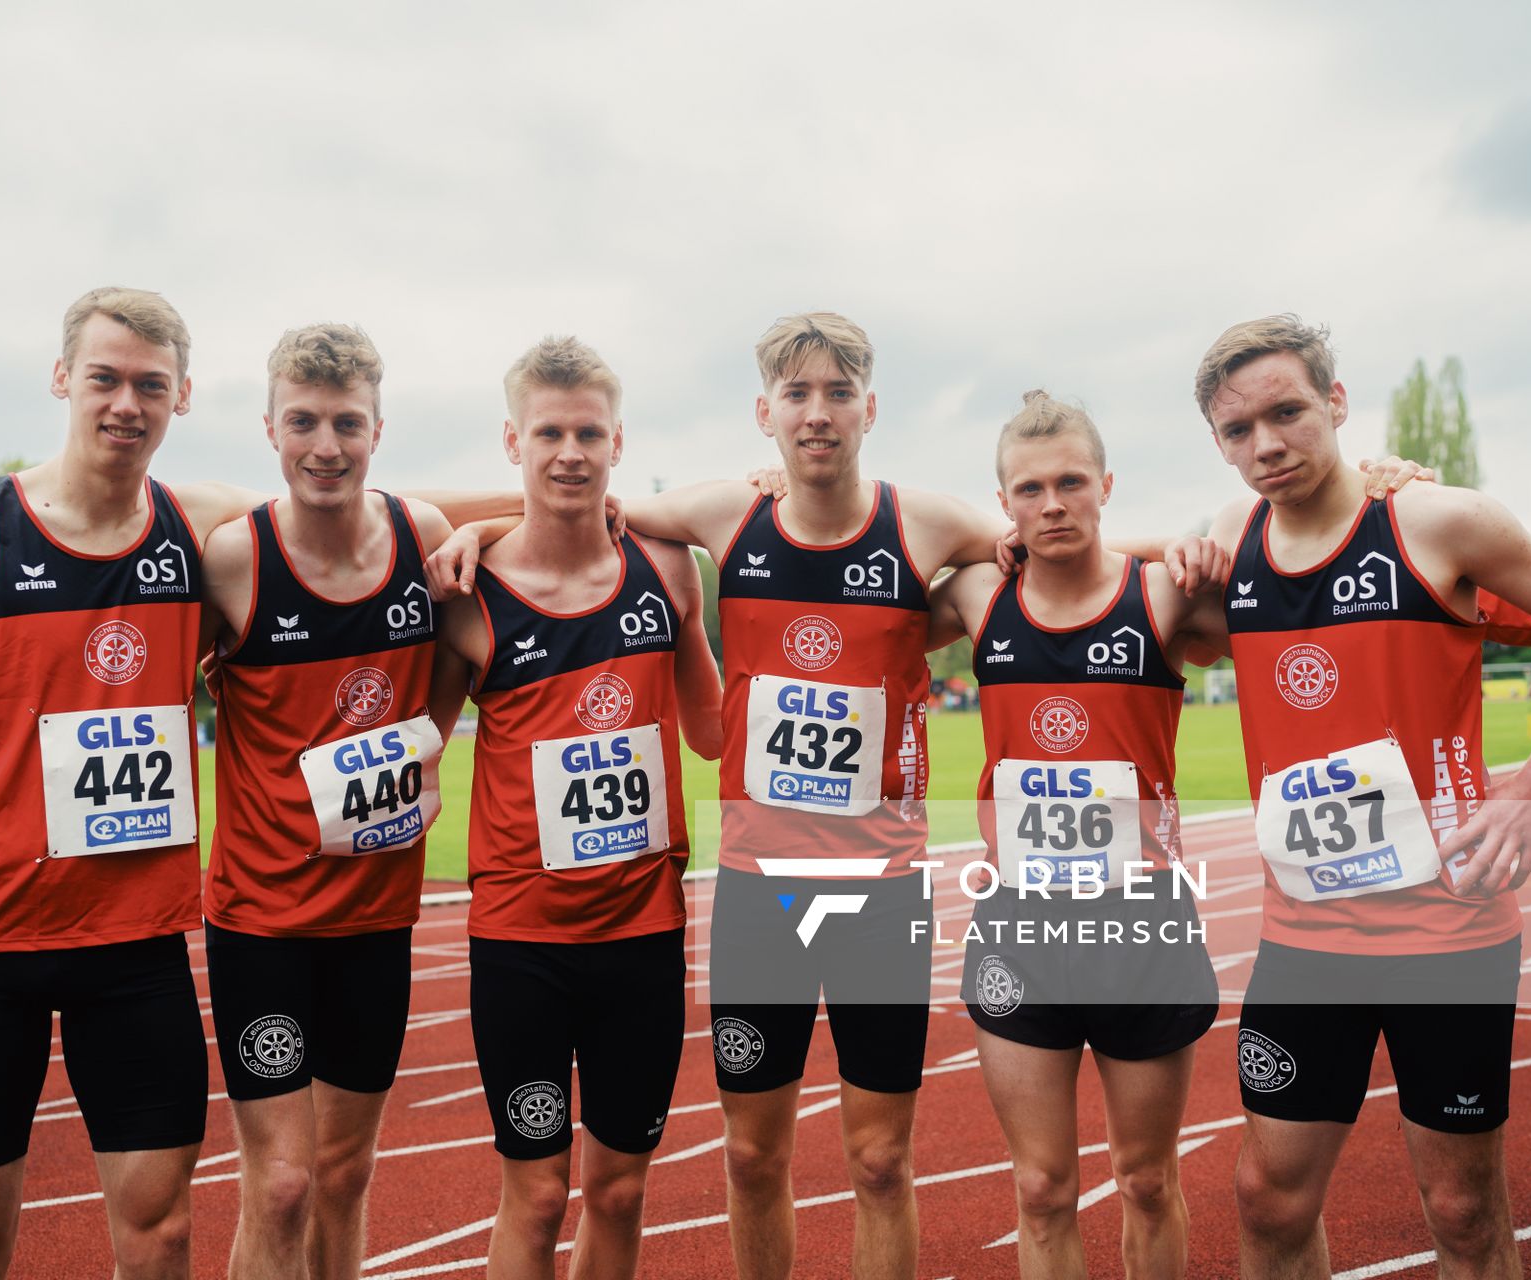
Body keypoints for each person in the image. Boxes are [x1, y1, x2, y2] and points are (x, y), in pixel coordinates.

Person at [431, 312, 1038, 1279]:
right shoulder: (724, 518)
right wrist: (478, 527)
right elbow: (582, 501)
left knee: (881, 1162)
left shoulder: (926, 523)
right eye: (797, 394)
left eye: (838, 393)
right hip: (763, 897)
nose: (818, 413)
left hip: (884, 895)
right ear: (766, 413)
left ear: (870, 408)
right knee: (753, 1158)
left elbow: (1050, 538)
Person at [1190, 315, 1531, 1278]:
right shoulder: (1230, 537)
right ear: (1219, 444)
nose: (1267, 444)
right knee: (1267, 1199)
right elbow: (1084, 554)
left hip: (1448, 934)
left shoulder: (1437, 522)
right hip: (1306, 935)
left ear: (1336, 402)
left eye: (1288, 412)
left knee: (1463, 1210)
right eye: (1238, 430)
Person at [0, 286, 261, 1279]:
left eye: (152, 385)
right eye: (105, 378)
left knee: (160, 1238)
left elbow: (362, 515)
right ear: (62, 378)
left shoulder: (204, 524)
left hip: (134, 947)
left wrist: (510, 519)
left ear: (182, 396)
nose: (127, 403)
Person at [430, 335, 722, 1279]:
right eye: (548, 433)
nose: (570, 453)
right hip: (523, 943)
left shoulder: (666, 571)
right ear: (512, 441)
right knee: (537, 1193)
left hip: (642, 935)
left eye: (589, 434)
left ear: (617, 442)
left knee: (622, 1191)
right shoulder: (469, 597)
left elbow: (712, 733)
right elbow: (415, 746)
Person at [929, 390, 1222, 1277]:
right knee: (1042, 1188)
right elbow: (849, 586)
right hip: (1020, 928)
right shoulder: (979, 595)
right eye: (1029, 490)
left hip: (1142, 928)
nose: (1051, 504)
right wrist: (778, 485)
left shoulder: (1163, 594)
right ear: (1003, 504)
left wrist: (1386, 482)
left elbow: (1295, 578)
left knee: (1145, 1180)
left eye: (1071, 484)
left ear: (1106, 486)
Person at [199, 323, 463, 1279]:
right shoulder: (233, 560)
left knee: (345, 1175)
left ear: (377, 431)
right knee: (281, 1184)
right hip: (262, 922)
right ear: (271, 429)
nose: (326, 446)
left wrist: (427, 739)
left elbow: (462, 655)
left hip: (375, 919)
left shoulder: (422, 536)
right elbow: (129, 686)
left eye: (347, 423)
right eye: (303, 421)